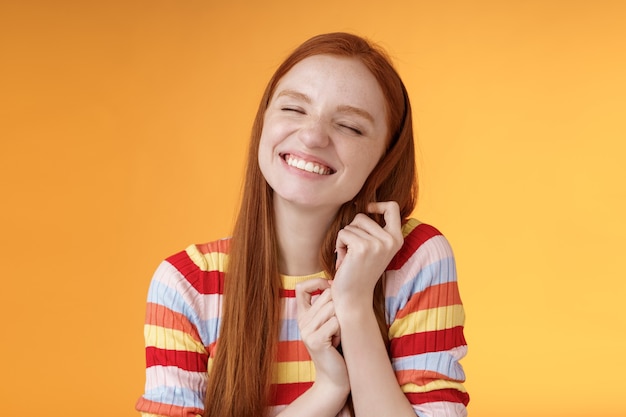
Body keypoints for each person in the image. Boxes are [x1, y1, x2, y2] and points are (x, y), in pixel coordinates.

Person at [136, 32, 469, 417]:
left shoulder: (415, 259)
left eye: (350, 126)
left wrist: (356, 307)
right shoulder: (187, 283)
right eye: (293, 109)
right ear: (264, 122)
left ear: (385, 158)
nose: (312, 136)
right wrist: (327, 390)